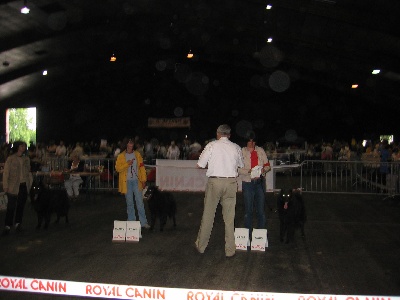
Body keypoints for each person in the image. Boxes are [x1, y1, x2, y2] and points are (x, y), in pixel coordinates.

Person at [195, 124, 244, 257]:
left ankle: (201, 246)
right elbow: (241, 165)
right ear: (229, 135)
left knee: (208, 215)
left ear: (218, 134)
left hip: (215, 182)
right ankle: (230, 250)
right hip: (231, 183)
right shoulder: (236, 147)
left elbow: (199, 165)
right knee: (229, 219)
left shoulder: (211, 146)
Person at [238, 135, 270, 233]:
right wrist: (249, 171)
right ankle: (247, 233)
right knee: (248, 210)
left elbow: (267, 165)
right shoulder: (241, 152)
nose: (252, 143)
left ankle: (260, 233)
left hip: (260, 183)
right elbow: (237, 169)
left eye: (253, 141)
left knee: (261, 210)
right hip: (248, 183)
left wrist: (262, 170)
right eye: (250, 141)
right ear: (246, 142)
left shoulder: (260, 150)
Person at [115, 138, 150, 228]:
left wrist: (143, 180)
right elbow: (118, 168)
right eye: (130, 143)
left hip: (136, 181)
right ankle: (131, 221)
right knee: (129, 202)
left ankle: (143, 222)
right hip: (126, 182)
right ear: (126, 144)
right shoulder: (121, 156)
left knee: (140, 202)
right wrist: (127, 164)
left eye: (132, 143)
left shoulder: (137, 155)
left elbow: (142, 168)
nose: (131, 145)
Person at [2, 141, 32, 235]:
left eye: (24, 146)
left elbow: (28, 172)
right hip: (13, 186)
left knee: (21, 205)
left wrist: (29, 184)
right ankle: (7, 225)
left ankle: (18, 223)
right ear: (17, 147)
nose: (23, 147)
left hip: (23, 185)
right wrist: (5, 185)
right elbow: (6, 173)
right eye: (22, 146)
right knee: (11, 206)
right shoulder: (11, 159)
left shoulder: (26, 159)